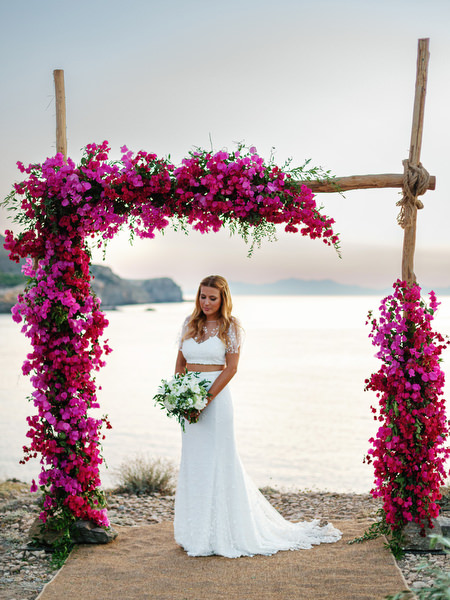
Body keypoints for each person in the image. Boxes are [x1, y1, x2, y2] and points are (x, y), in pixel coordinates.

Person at [173, 275, 342, 557]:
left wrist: (204, 399)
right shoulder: (189, 324)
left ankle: (222, 533)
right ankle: (194, 532)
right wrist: (180, 396)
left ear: (223, 299)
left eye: (212, 298)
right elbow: (179, 363)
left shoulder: (231, 326)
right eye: (202, 296)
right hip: (188, 402)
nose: (206, 303)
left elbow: (231, 368)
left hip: (215, 402)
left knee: (218, 462)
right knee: (194, 463)